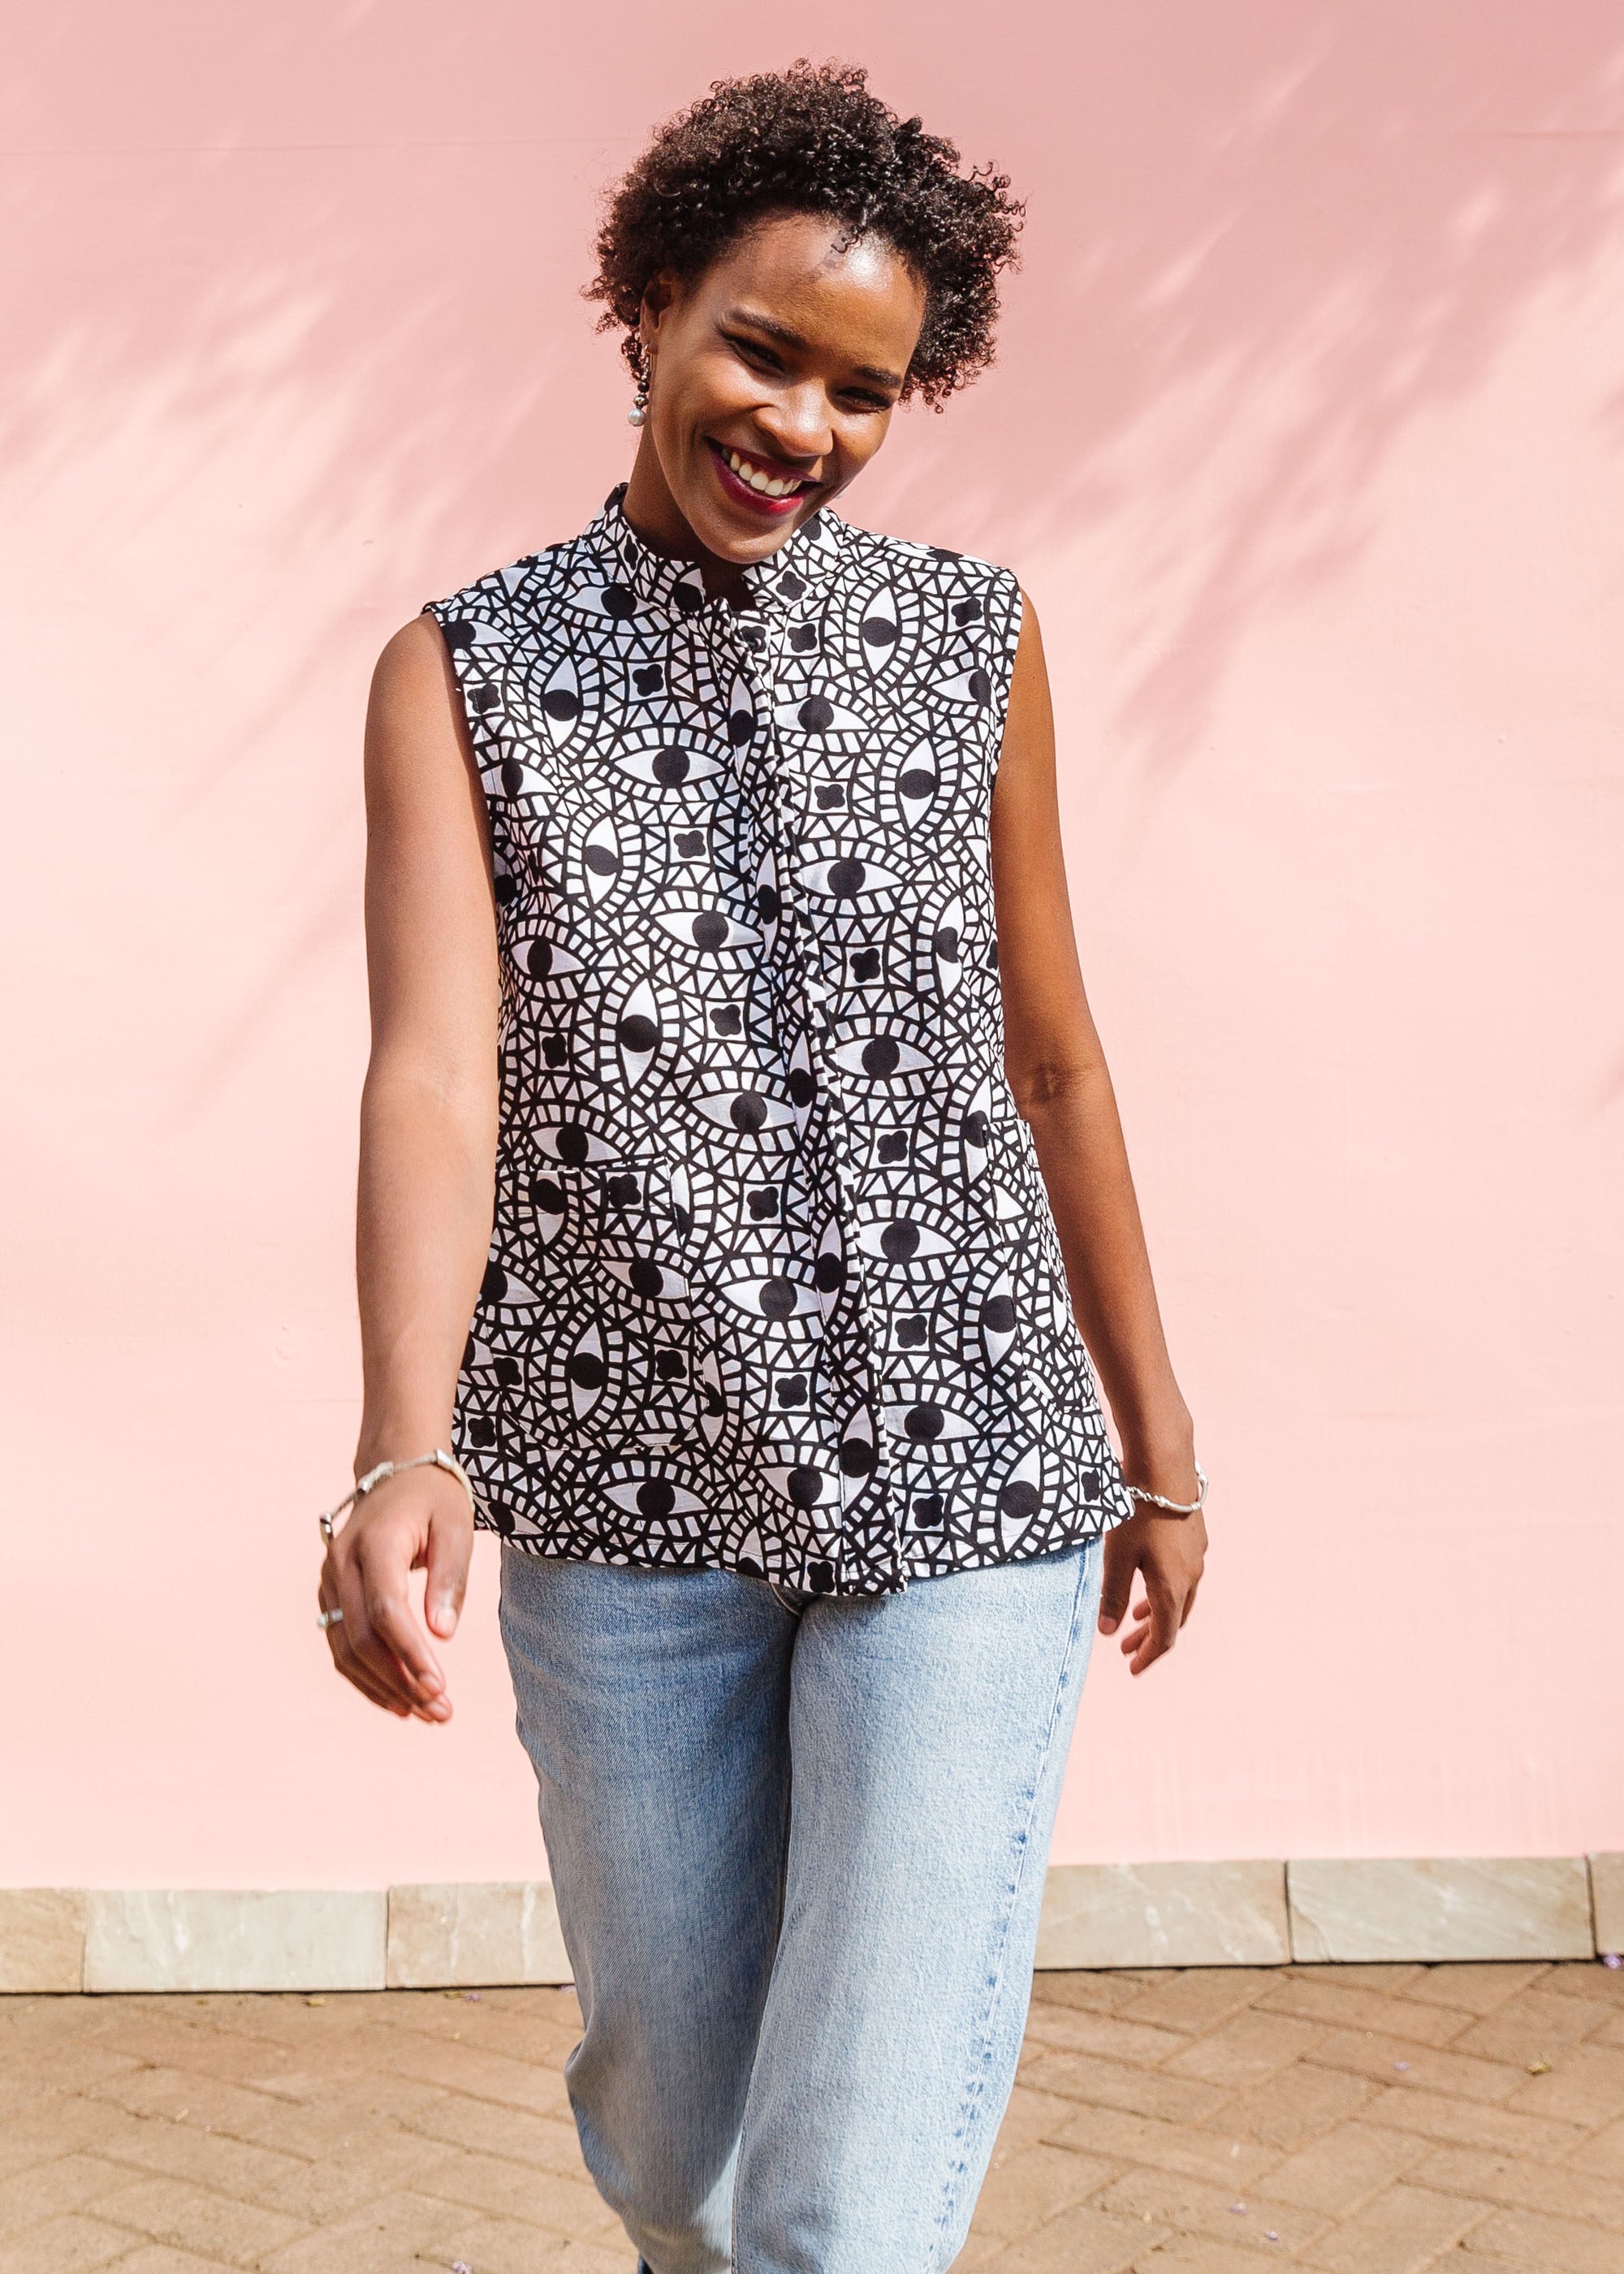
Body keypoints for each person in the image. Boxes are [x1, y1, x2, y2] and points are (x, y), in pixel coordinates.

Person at [317, 60, 1207, 2274]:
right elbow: (433, 1075)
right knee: (679, 2155)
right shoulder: (464, 671)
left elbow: (1060, 1061)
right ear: (643, 304)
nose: (803, 422)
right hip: (624, 1504)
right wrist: (395, 1447)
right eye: (762, 348)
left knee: (838, 2213)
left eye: (866, 390)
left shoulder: (972, 647)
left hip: (966, 1475)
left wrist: (1160, 1451)